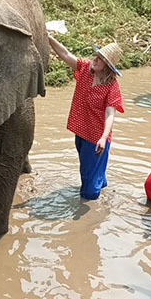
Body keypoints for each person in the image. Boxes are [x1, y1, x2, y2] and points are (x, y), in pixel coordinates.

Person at [49, 36, 125, 200]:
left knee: (88, 190)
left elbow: (110, 114)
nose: (95, 60)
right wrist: (48, 38)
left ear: (108, 67)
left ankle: (92, 213)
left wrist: (104, 137)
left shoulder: (111, 86)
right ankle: (102, 190)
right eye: (96, 56)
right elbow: (65, 54)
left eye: (100, 59)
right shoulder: (85, 70)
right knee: (89, 170)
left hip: (97, 139)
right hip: (81, 133)